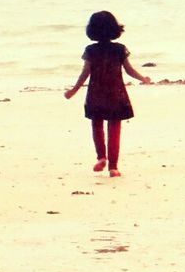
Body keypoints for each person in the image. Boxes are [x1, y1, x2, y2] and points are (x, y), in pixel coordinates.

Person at [64, 10, 152, 177]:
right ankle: (113, 167)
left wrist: (73, 91)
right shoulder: (119, 49)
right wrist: (143, 78)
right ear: (114, 28)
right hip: (116, 93)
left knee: (96, 125)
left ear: (92, 30)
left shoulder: (90, 50)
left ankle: (101, 157)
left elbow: (85, 73)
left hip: (96, 94)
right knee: (114, 128)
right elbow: (129, 70)